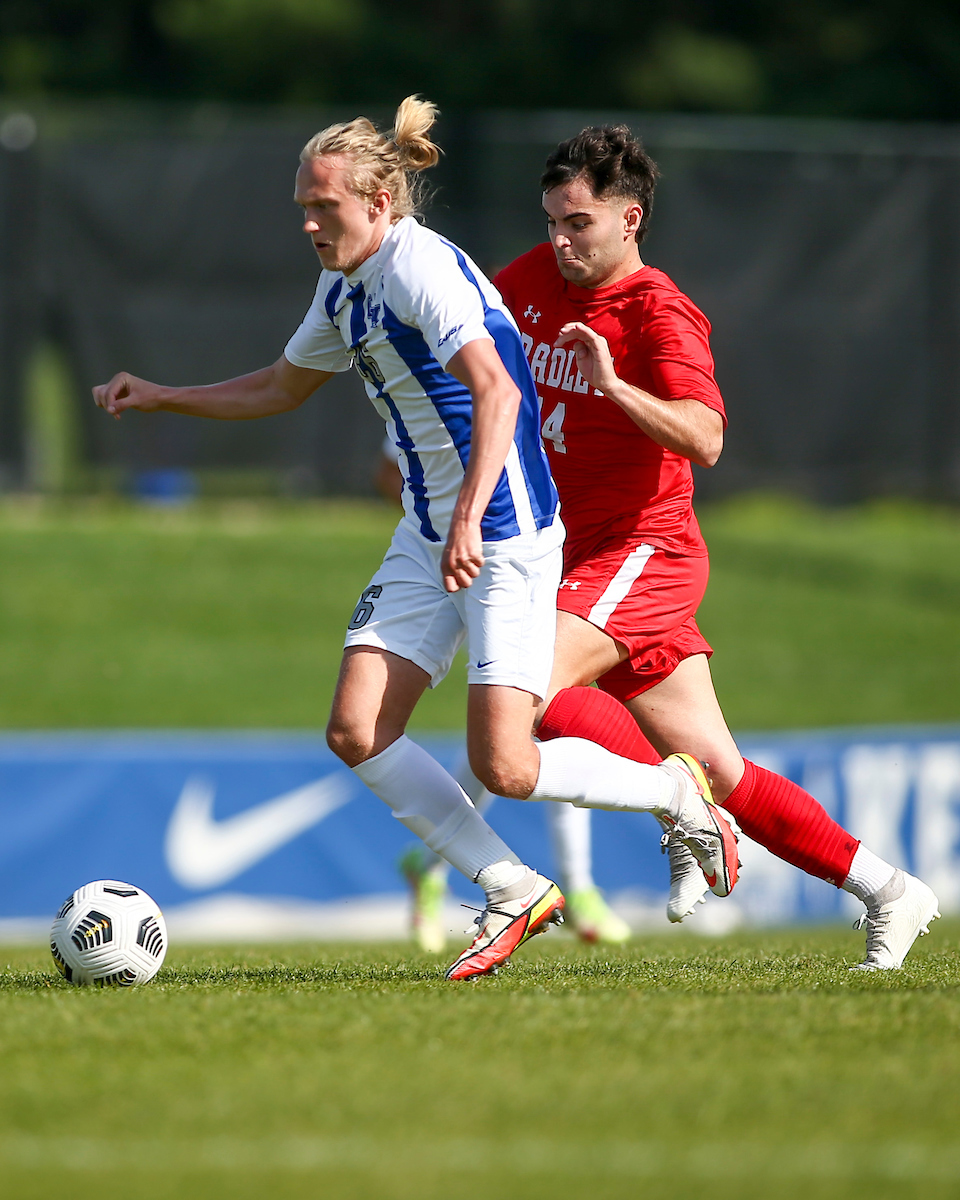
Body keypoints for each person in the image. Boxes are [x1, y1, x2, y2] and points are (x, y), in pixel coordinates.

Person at [92, 98, 739, 980]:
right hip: (433, 528)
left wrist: (470, 515)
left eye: (327, 206)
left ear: (380, 204)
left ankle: (674, 791)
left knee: (507, 764)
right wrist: (162, 394)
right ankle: (513, 889)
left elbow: (500, 395)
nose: (313, 223)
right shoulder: (344, 283)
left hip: (502, 531)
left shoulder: (421, 270)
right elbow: (283, 387)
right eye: (303, 208)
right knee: (357, 729)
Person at [491, 123, 940, 970]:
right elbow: (466, 330)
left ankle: (677, 807)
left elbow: (706, 437)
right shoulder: (533, 279)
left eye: (577, 222)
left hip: (641, 551)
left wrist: (614, 385)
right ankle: (889, 890)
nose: (560, 239)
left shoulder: (657, 310)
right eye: (552, 219)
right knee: (722, 771)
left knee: (528, 692)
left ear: (629, 220)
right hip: (577, 556)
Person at [376, 438, 630, 949]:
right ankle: (573, 887)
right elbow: (391, 466)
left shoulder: (568, 374)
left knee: (542, 716)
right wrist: (445, 524)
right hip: (491, 560)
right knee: (525, 722)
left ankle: (438, 866)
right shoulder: (469, 369)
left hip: (561, 552)